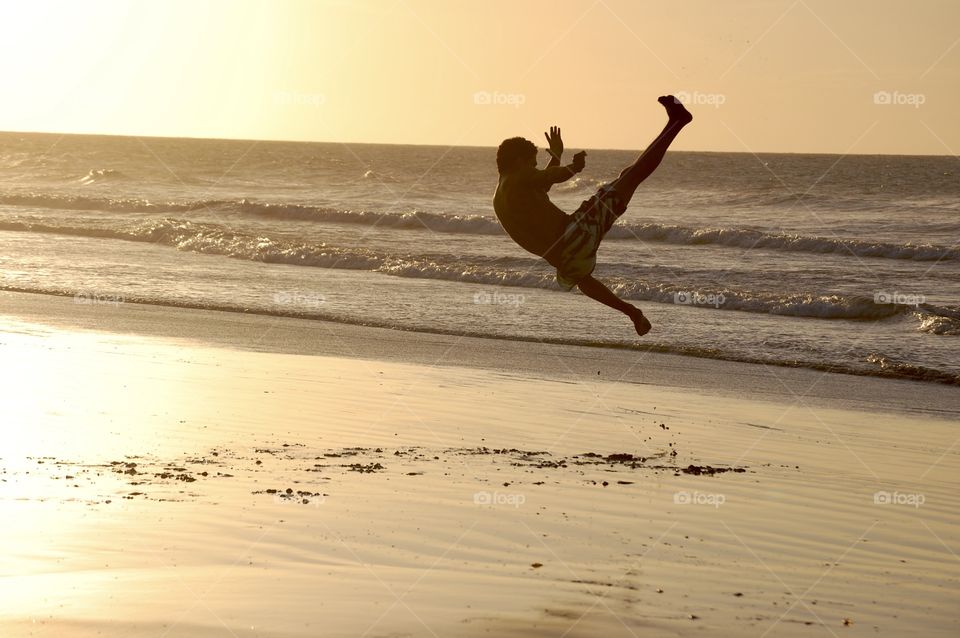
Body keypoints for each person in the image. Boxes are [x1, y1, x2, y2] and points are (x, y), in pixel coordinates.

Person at [493, 95, 692, 336]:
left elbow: (540, 184)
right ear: (517, 161)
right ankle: (678, 122)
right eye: (532, 163)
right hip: (576, 232)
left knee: (626, 176)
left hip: (567, 257)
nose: (535, 167)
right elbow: (548, 177)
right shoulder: (519, 177)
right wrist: (573, 167)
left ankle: (632, 313)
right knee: (632, 176)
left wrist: (555, 156)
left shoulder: (503, 193)